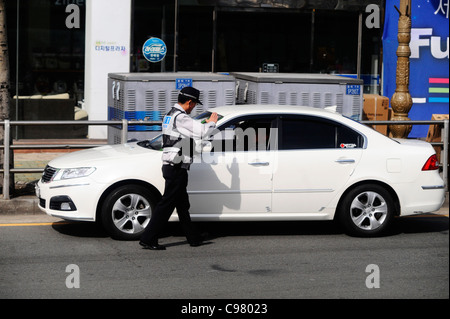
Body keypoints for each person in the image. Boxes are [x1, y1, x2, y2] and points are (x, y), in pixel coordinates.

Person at [139, 86, 218, 250]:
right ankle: (148, 238)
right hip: (175, 167)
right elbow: (203, 133)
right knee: (166, 204)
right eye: (195, 105)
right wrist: (212, 122)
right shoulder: (181, 117)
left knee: (182, 204)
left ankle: (193, 238)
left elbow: (186, 136)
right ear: (190, 102)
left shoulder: (170, 114)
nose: (194, 108)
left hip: (175, 166)